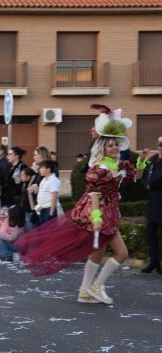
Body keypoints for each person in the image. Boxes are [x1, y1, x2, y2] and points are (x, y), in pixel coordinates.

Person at [16, 104, 148, 304]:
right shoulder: (99, 168)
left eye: (116, 144)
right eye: (110, 144)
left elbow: (135, 177)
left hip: (110, 212)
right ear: (102, 147)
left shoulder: (120, 165)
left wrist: (142, 161)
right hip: (100, 213)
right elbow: (94, 193)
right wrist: (96, 218)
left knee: (98, 253)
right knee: (121, 253)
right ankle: (97, 286)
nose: (114, 147)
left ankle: (85, 291)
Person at [142, 136, 162, 273]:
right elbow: (145, 176)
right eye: (159, 143)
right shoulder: (153, 160)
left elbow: (157, 180)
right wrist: (148, 184)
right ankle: (154, 262)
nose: (159, 145)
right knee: (151, 232)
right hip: (153, 202)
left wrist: (150, 184)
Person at [35, 159, 61, 224]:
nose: (39, 169)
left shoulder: (53, 180)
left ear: (48, 169)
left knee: (50, 231)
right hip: (42, 209)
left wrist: (51, 212)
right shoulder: (43, 180)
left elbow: (54, 196)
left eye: (41, 168)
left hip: (49, 209)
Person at [19, 167, 38, 231]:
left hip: (32, 210)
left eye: (22, 175)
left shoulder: (34, 184)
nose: (20, 177)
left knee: (31, 230)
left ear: (28, 176)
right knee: (28, 229)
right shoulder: (24, 183)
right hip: (26, 210)